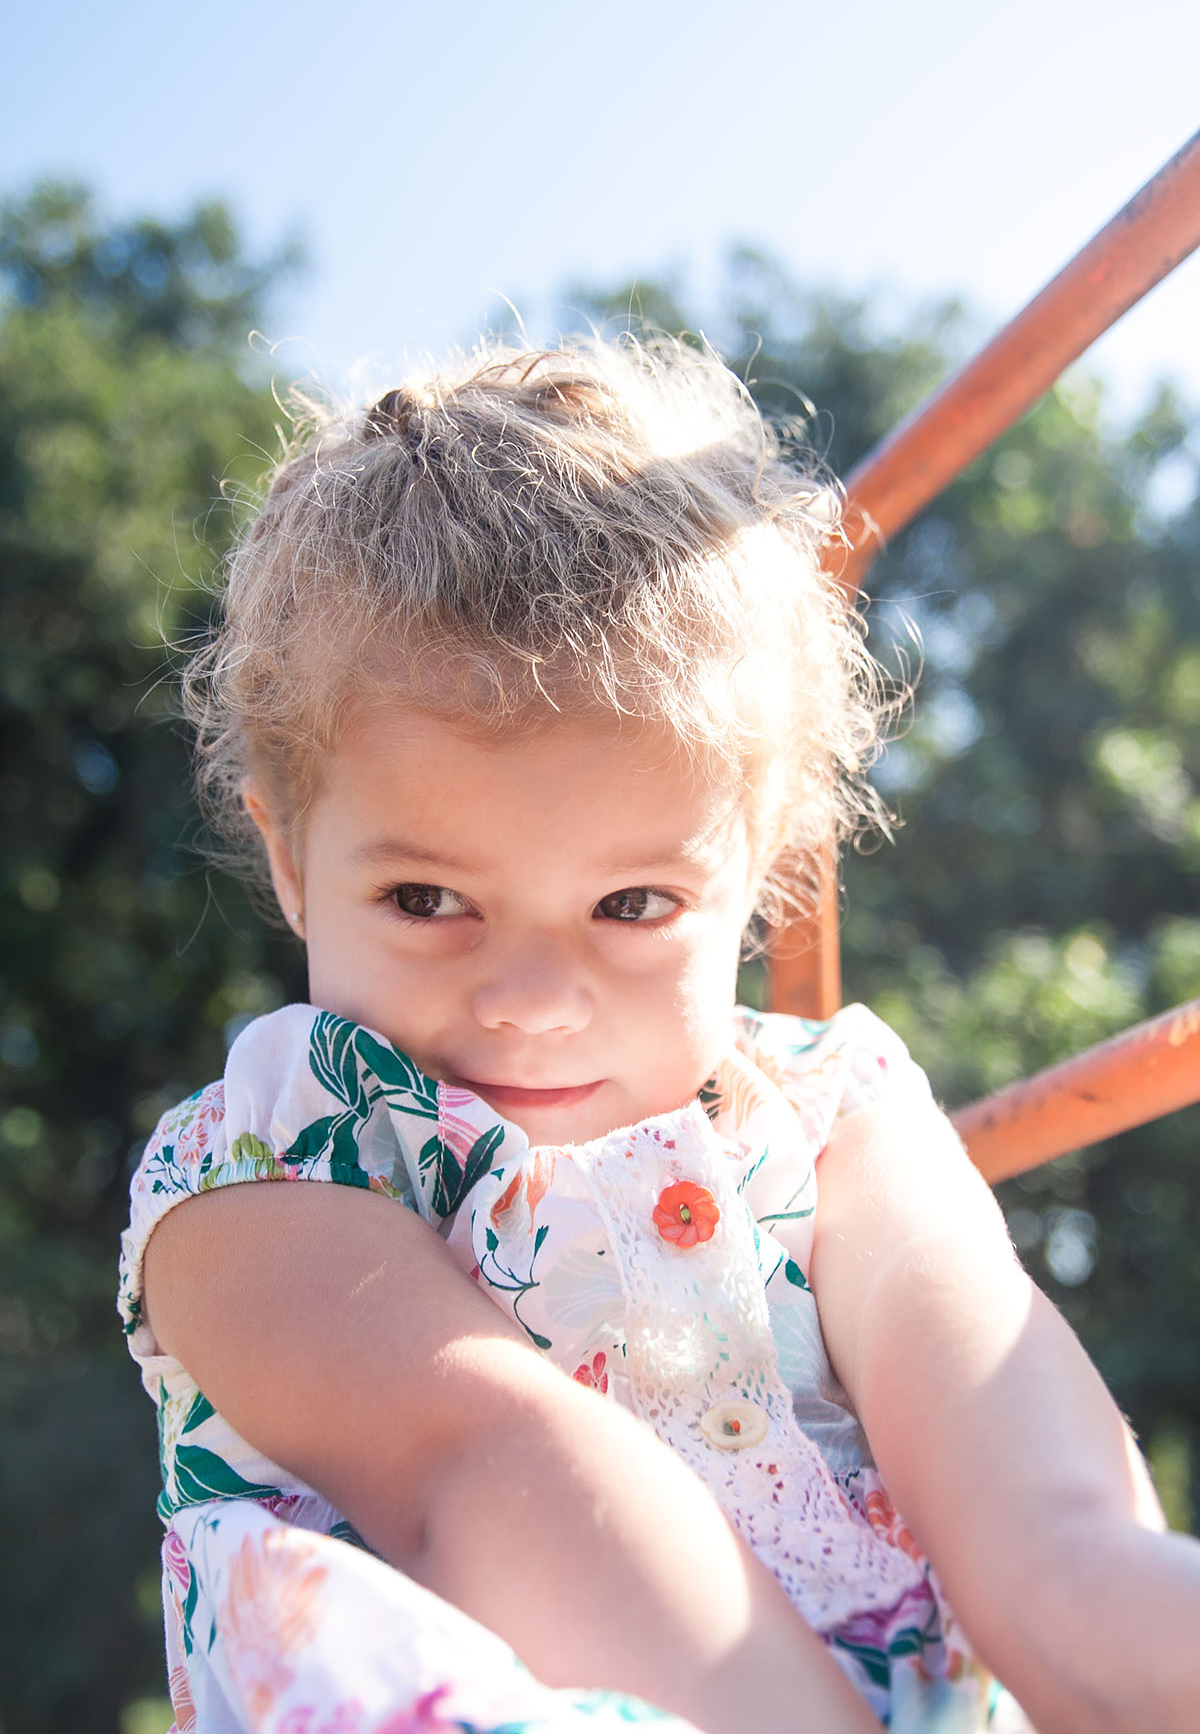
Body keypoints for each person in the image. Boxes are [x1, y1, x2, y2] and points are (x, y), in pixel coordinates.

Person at [121, 336, 1200, 1734]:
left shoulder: (835, 1114)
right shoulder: (265, 1164)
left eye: (631, 903)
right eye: (426, 898)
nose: (530, 997)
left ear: (762, 871)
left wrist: (1107, 1624)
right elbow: (483, 1466)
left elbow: (1036, 1502)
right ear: (288, 854)